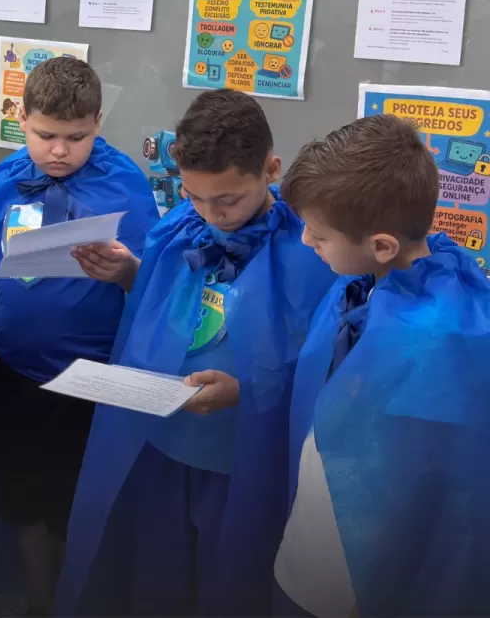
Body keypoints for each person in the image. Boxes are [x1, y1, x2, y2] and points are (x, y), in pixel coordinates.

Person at [57, 89, 335, 617]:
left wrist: (247, 392)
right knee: (156, 587)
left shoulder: (310, 250)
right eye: (194, 196)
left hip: (240, 465)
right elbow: (163, 313)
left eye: (227, 199)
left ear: (271, 169)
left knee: (230, 588)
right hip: (160, 450)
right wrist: (130, 274)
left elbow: (323, 365)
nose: (212, 214)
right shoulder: (180, 227)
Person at [0, 57, 159, 616]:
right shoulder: (5, 179)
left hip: (91, 382)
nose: (59, 151)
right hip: (14, 371)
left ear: (98, 122)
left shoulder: (125, 183)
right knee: (24, 504)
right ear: (21, 118)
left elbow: (157, 287)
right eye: (46, 135)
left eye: (77, 137)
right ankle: (42, 604)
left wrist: (126, 271)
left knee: (76, 510)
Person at [276, 115, 490, 617]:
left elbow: (415, 492)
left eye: (318, 235)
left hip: (358, 565)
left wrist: (368, 595)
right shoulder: (370, 279)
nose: (306, 242)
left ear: (381, 245)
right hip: (322, 518)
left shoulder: (432, 339)